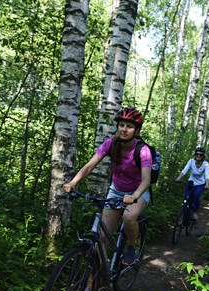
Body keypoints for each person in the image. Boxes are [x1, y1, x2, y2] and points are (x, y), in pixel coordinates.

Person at [63, 107, 152, 265]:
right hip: (116, 190)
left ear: (136, 130)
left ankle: (132, 247)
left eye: (129, 126)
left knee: (129, 216)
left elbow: (146, 180)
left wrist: (134, 196)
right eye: (122, 125)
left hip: (138, 192)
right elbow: (90, 166)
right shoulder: (110, 144)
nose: (124, 129)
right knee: (102, 238)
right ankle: (97, 280)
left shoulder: (143, 150)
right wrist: (73, 182)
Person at [175, 146, 209, 220]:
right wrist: (179, 178)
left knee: (196, 195)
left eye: (200, 154)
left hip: (200, 184)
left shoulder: (205, 164)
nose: (198, 155)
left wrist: (207, 184)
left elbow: (207, 175)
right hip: (191, 182)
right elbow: (185, 170)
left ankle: (194, 211)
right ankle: (183, 213)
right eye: (197, 154)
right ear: (195, 154)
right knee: (186, 197)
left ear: (203, 156)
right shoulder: (191, 161)